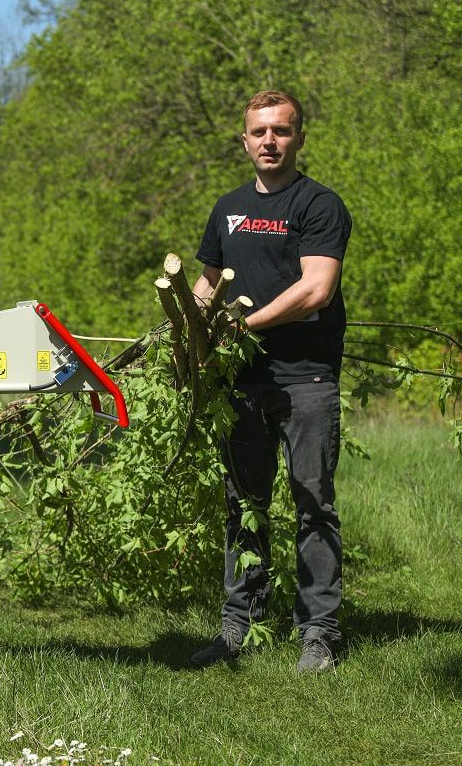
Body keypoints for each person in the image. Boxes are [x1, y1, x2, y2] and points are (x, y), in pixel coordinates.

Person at [189, 90, 352, 673]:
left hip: (305, 376)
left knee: (312, 505)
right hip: (241, 379)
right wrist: (186, 333)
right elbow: (207, 285)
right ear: (244, 140)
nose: (269, 141)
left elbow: (316, 289)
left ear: (298, 137)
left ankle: (318, 633)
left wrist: (244, 326)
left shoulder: (319, 205)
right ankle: (240, 625)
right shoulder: (227, 207)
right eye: (259, 132)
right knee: (243, 504)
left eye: (281, 131)